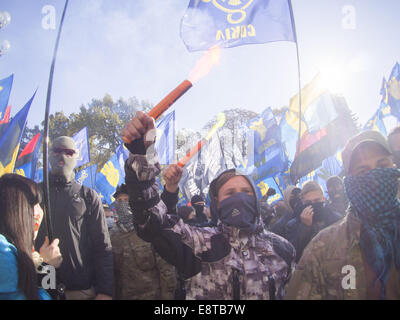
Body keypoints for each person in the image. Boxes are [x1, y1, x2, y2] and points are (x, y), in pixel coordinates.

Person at [121, 111, 295, 300]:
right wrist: (142, 154)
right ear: (217, 203)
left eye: (246, 192)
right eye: (229, 193)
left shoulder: (283, 249)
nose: (239, 199)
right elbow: (153, 223)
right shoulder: (198, 243)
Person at [285, 130, 400, 299]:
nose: (375, 176)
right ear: (350, 182)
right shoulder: (323, 248)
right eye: (362, 171)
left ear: (394, 167)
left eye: (382, 166)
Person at [35, 136, 113, 300]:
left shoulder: (88, 196)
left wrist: (105, 291)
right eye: (57, 152)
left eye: (69, 152)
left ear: (76, 157)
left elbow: (102, 246)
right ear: (49, 155)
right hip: (39, 287)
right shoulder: (34, 193)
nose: (62, 157)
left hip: (79, 291)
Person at [0, 174, 62, 300]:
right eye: (34, 203)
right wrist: (48, 268)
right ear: (16, 209)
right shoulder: (3, 253)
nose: (39, 212)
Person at [111, 183, 177, 300]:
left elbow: (166, 270)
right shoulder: (113, 234)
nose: (122, 203)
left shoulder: (149, 230)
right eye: (119, 200)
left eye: (126, 199)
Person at [285, 181, 342, 263]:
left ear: (323, 199)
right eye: (308, 202)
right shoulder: (293, 225)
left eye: (317, 200)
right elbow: (294, 254)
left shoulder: (336, 218)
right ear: (303, 202)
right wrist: (305, 227)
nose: (313, 205)